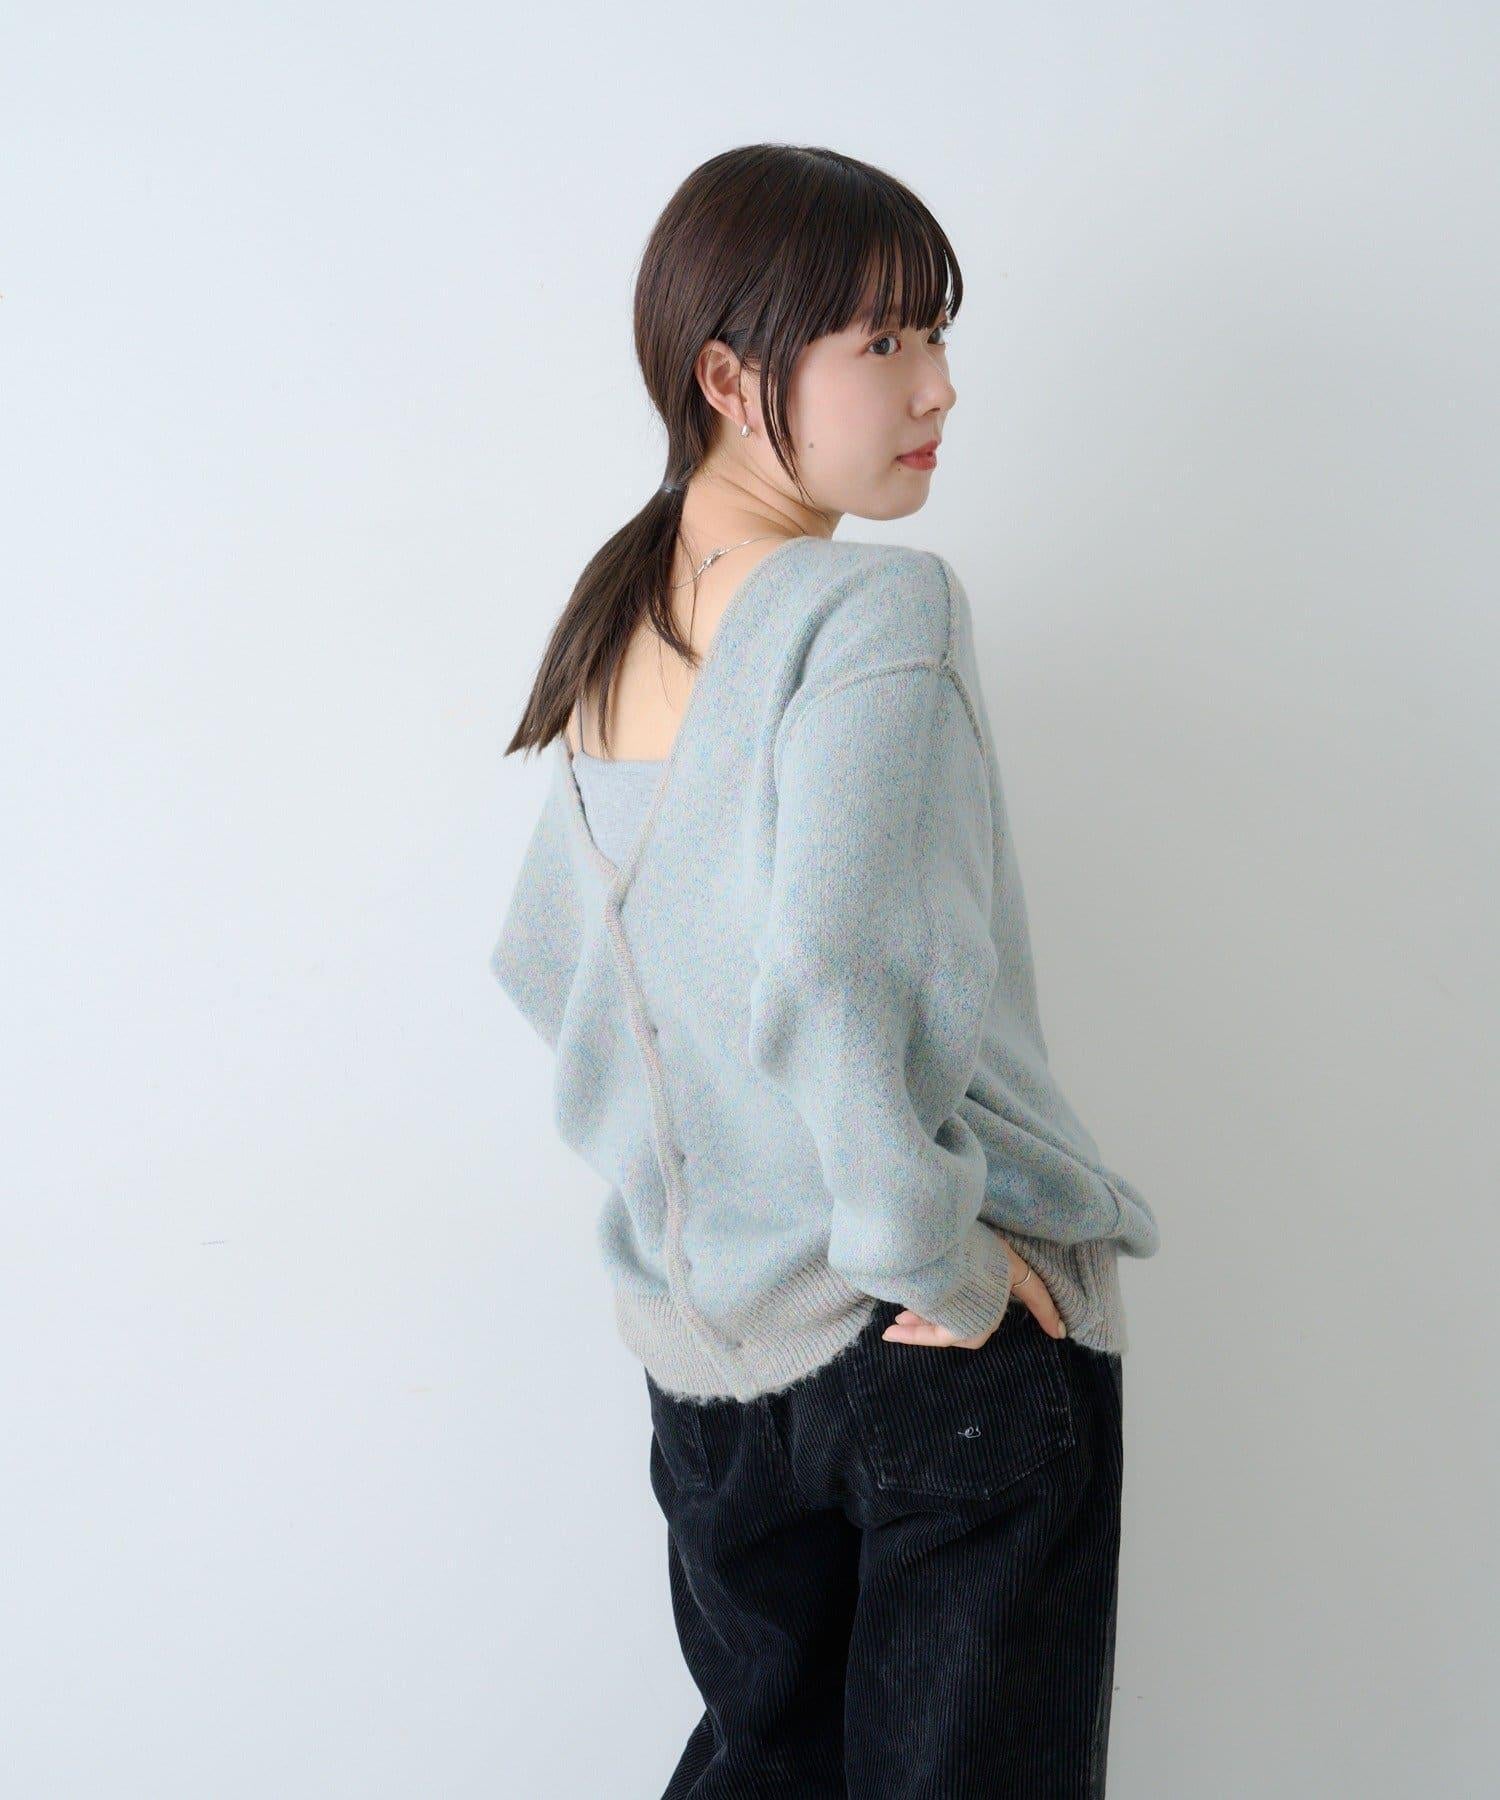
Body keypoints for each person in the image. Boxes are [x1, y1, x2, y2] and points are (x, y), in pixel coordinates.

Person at [491, 142, 1161, 1798]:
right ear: (729, 380)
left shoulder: (615, 628)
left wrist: (709, 1248)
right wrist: (935, 1253)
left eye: (937, 333)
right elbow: (833, 967)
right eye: (884, 342)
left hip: (711, 1373)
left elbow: (554, 965)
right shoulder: (874, 608)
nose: (938, 387)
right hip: (926, 1335)